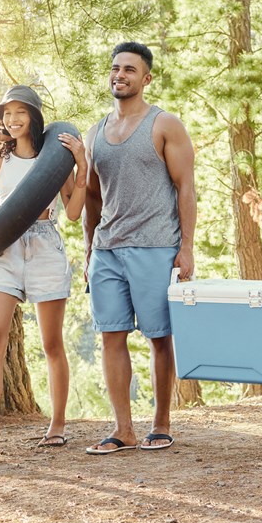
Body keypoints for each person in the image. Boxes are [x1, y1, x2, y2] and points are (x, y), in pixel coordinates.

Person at [0, 85, 87, 458]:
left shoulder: (55, 161)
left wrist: (81, 165)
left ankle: (56, 426)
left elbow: (72, 213)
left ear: (35, 116)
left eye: (20, 112)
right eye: (6, 113)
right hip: (5, 251)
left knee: (52, 344)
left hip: (44, 247)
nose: (12, 119)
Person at [83, 41, 196, 455]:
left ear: (146, 78)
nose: (120, 75)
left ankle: (161, 423)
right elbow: (92, 198)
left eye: (130, 69)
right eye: (115, 68)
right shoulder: (95, 132)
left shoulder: (165, 125)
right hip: (107, 249)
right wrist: (89, 250)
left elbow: (186, 187)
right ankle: (123, 428)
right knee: (110, 336)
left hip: (155, 246)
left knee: (158, 337)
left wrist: (186, 247)